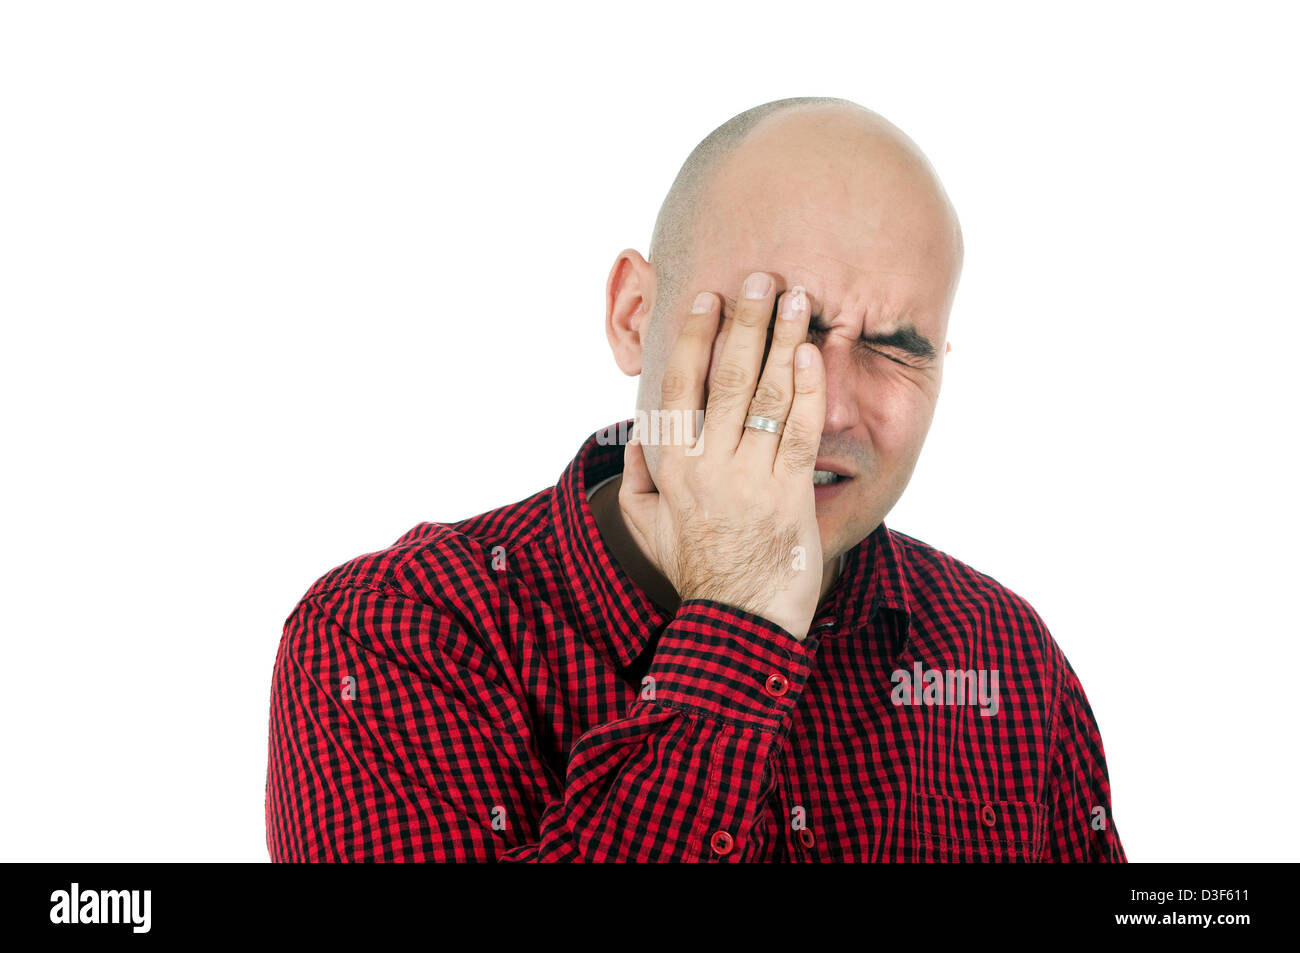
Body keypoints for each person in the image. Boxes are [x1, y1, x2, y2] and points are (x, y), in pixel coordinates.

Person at [264, 96, 1125, 861]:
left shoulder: (1005, 656)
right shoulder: (385, 635)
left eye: (895, 349)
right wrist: (738, 612)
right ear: (634, 315)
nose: (825, 409)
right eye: (776, 324)